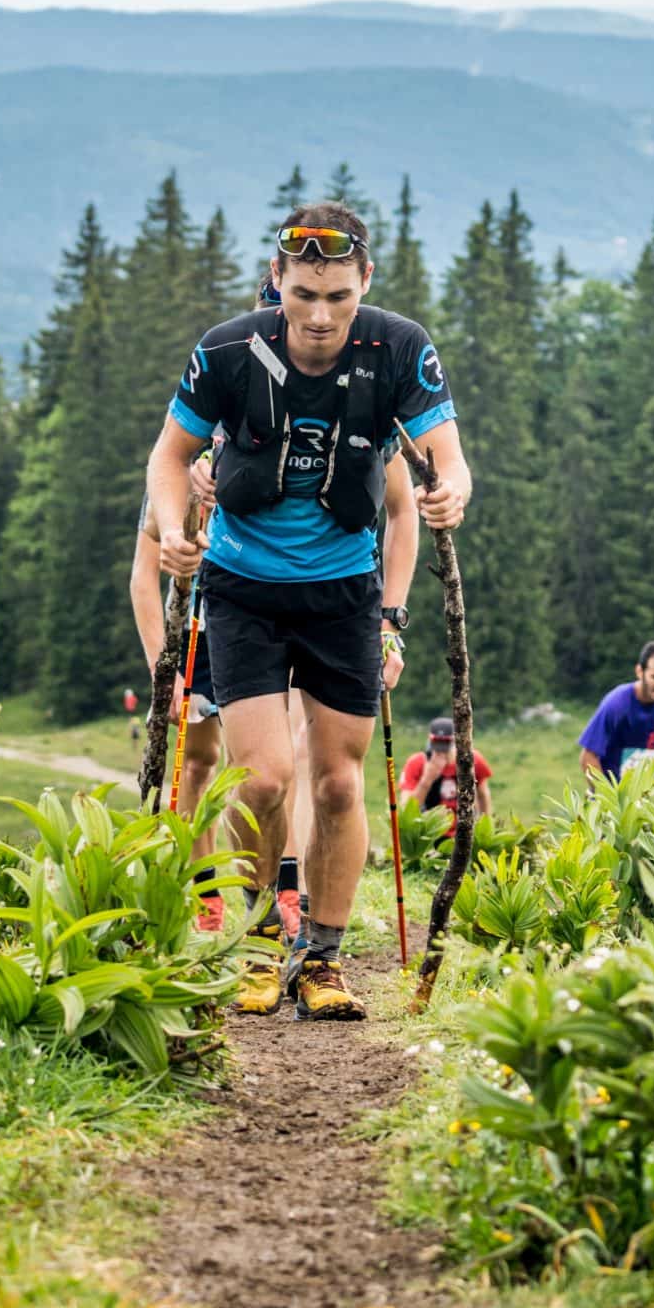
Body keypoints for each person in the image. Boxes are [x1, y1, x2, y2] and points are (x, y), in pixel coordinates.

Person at [148, 199, 469, 1021]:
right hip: (243, 590)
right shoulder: (228, 352)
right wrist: (173, 529)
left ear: (365, 280)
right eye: (301, 294)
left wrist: (452, 491)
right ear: (276, 283)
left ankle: (321, 958)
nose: (319, 315)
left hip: (343, 596)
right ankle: (257, 944)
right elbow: (170, 453)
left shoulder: (399, 349)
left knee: (335, 784)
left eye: (337, 295)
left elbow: (441, 457)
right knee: (261, 780)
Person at [136, 449, 416, 967]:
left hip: (287, 613)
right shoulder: (186, 462)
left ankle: (289, 892)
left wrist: (388, 624)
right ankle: (209, 895)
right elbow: (143, 574)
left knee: (289, 763)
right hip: (201, 623)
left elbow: (397, 507)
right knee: (202, 763)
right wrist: (162, 668)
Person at [578, 640, 654, 780]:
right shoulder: (617, 703)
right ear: (640, 671)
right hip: (618, 793)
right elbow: (588, 757)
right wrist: (606, 795)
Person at [399, 715, 494, 817]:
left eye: (445, 744)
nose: (440, 751)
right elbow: (405, 810)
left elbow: (483, 795)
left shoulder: (472, 760)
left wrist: (485, 824)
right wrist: (426, 780)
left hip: (464, 826)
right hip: (429, 828)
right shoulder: (417, 762)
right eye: (437, 743)